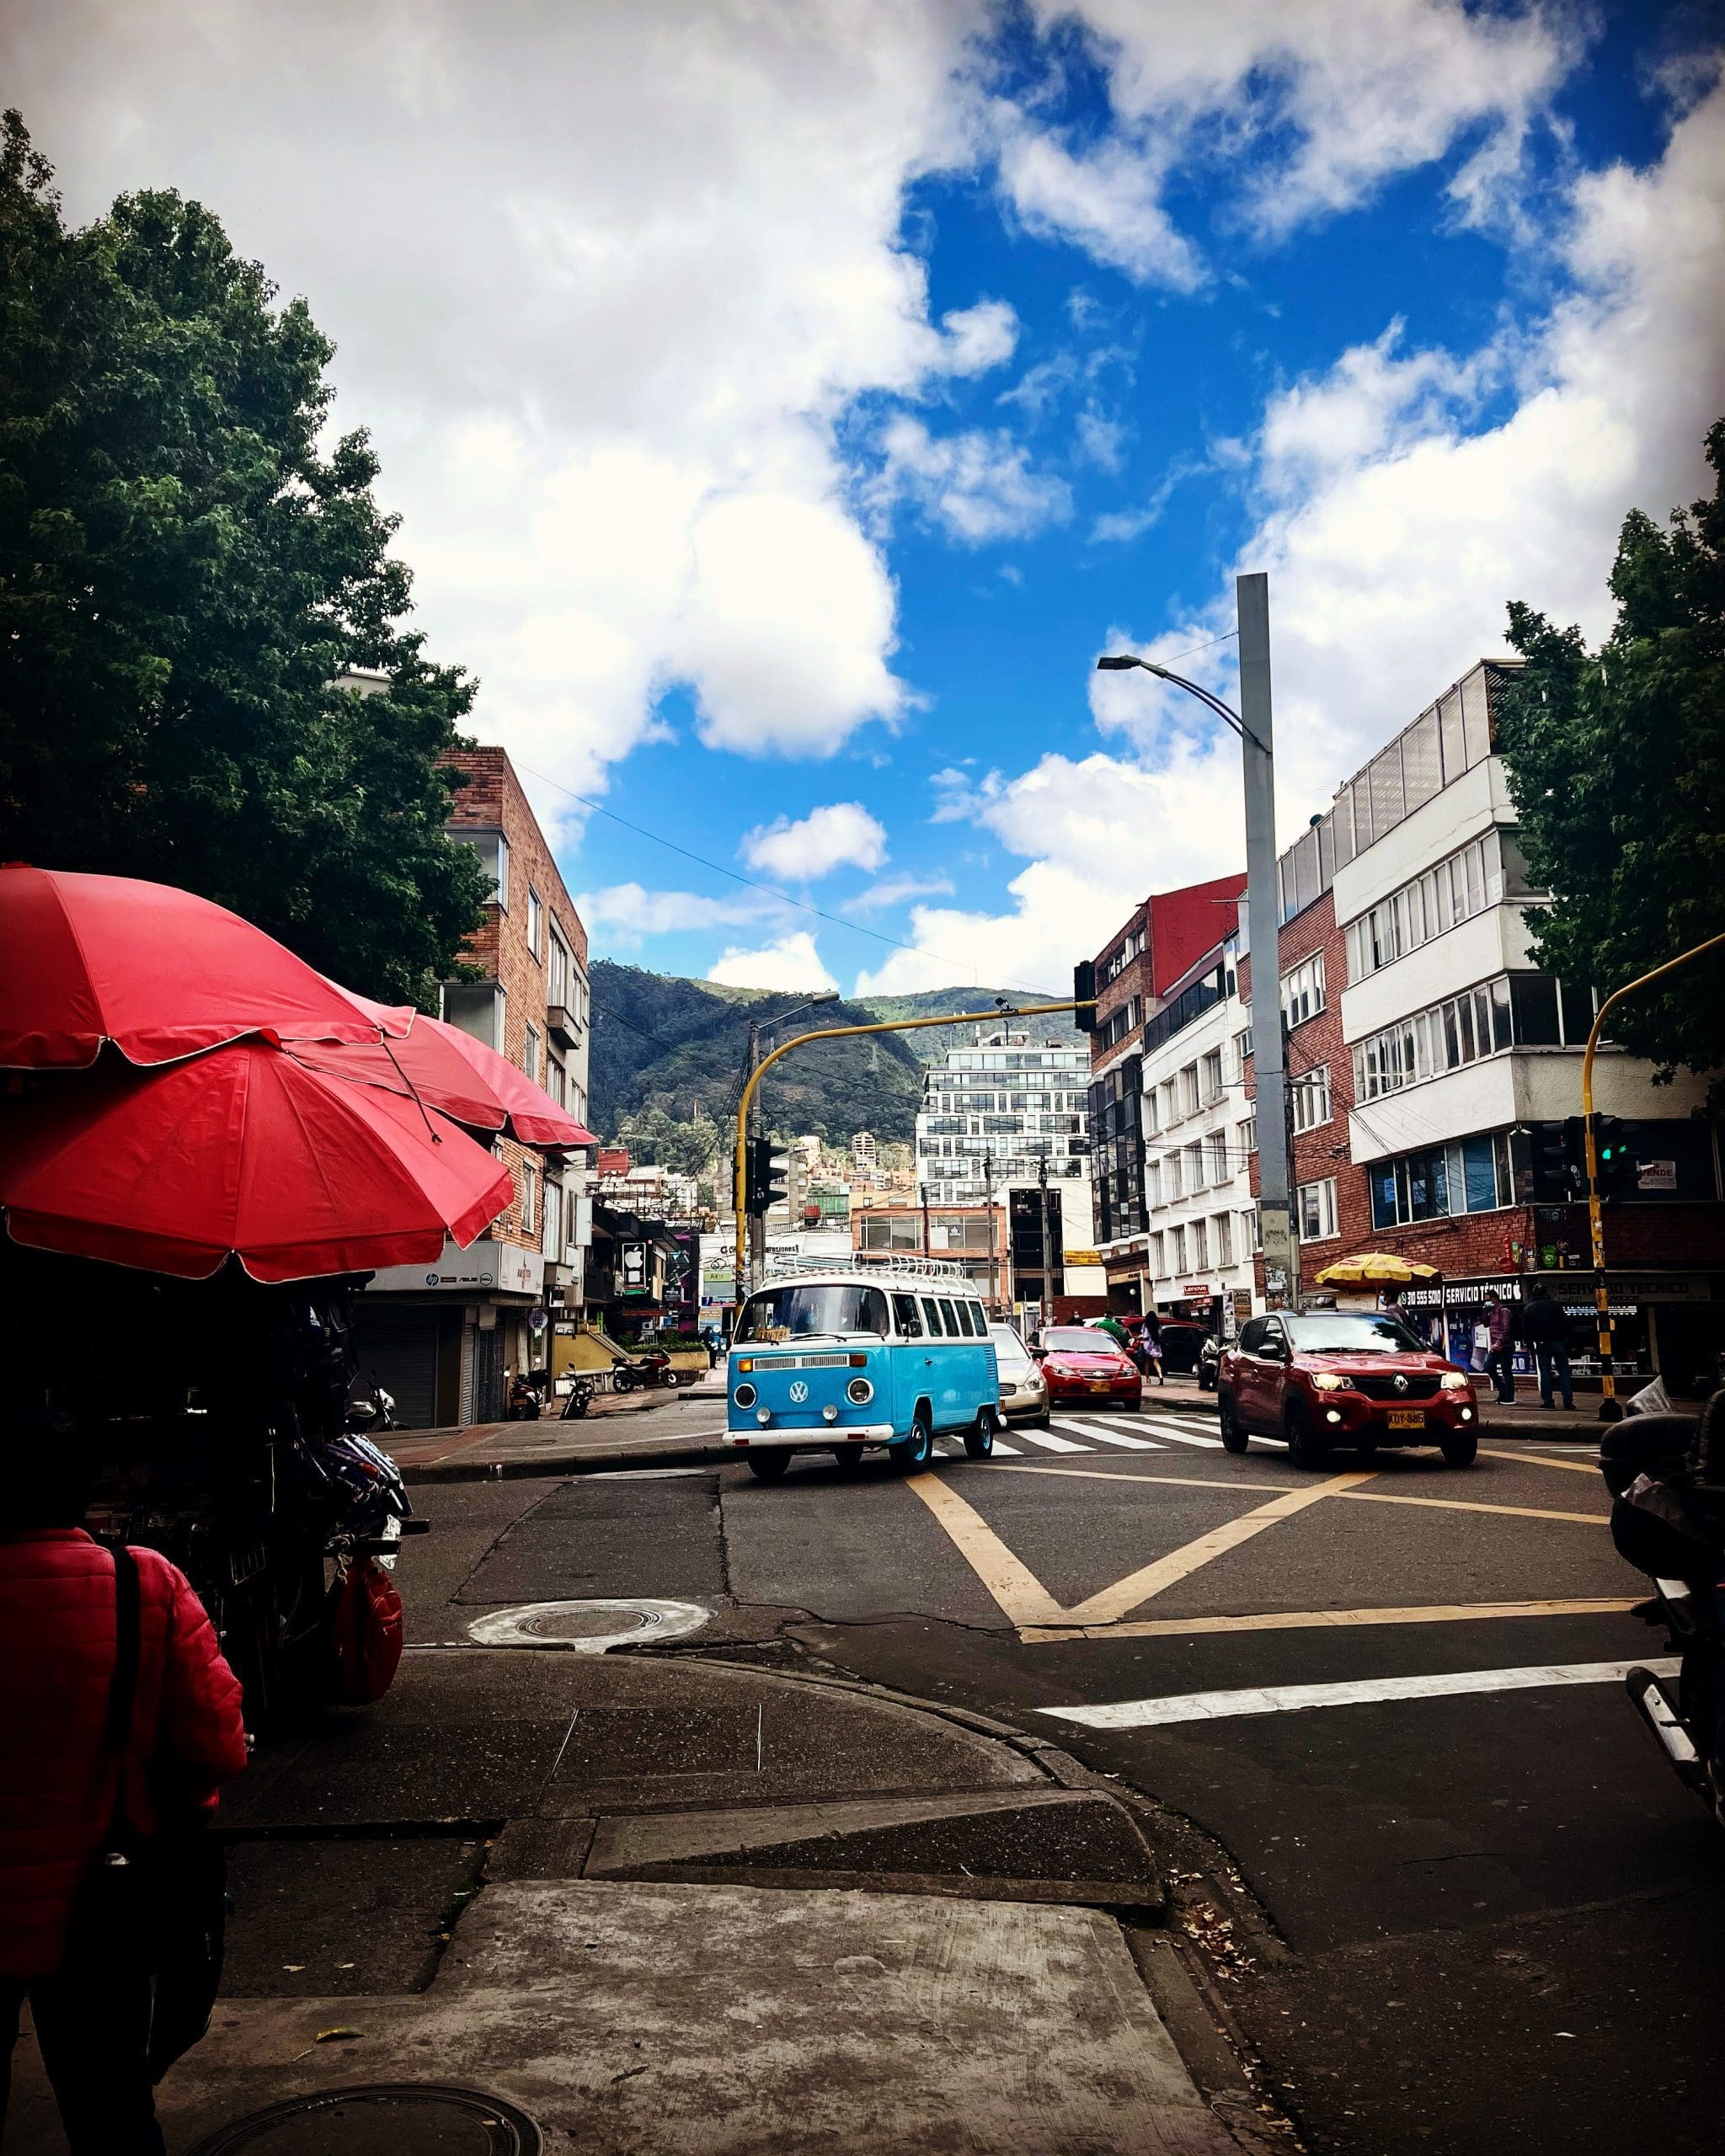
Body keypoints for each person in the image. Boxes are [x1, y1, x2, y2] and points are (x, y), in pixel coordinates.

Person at [0, 1417, 248, 2153]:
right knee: (109, 2106)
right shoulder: (142, 1581)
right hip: (100, 1902)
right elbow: (215, 1745)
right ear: (88, 1491)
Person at [1519, 1282, 1574, 1410]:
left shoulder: (1529, 1308)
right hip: (1558, 1342)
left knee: (1545, 1373)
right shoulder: (1556, 1306)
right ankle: (1568, 1402)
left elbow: (1526, 1330)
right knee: (1564, 1373)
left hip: (1541, 1344)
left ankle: (1548, 1401)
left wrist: (1529, 1345)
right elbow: (1566, 1323)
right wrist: (1567, 1340)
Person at [1482, 1290, 1518, 1405]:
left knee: (1506, 1370)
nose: (1486, 1302)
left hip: (1505, 1345)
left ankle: (1509, 1397)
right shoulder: (1490, 1311)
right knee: (1488, 1367)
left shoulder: (1504, 1310)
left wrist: (1499, 1343)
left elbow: (1506, 1329)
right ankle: (1503, 1390)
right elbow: (1485, 1324)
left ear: (1494, 1299)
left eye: (1488, 1300)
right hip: (1495, 1346)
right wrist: (1485, 1310)